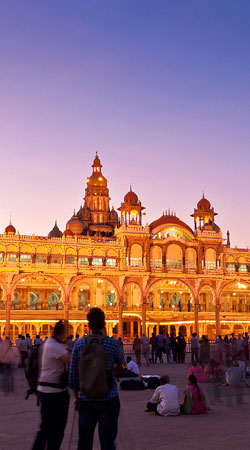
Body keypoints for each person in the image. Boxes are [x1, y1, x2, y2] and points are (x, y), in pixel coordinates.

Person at [69, 307, 124, 450]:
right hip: (108, 397)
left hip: (85, 398)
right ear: (104, 323)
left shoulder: (79, 344)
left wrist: (77, 397)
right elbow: (121, 364)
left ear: (88, 324)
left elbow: (72, 375)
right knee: (107, 441)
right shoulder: (113, 343)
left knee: (84, 441)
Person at [32, 320, 71, 450]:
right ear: (62, 333)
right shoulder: (55, 346)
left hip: (50, 391)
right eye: (67, 332)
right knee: (52, 429)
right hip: (53, 393)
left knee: (50, 428)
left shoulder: (51, 343)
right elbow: (70, 360)